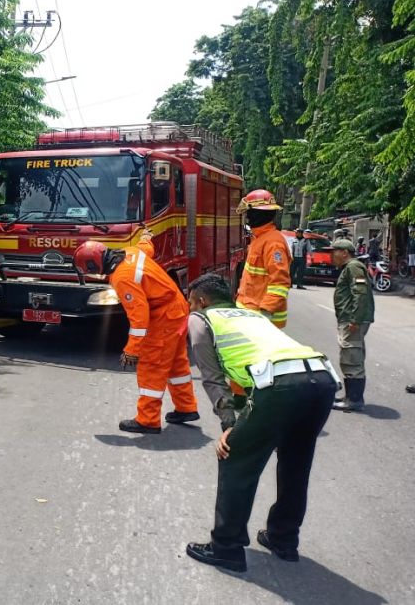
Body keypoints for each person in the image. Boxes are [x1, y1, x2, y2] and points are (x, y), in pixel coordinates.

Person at [184, 273, 338, 573]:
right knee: (295, 461)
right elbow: (249, 373)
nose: (190, 307)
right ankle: (283, 538)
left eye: (191, 301)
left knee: (234, 455)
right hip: (321, 379)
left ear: (201, 301)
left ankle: (226, 547)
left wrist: (228, 424)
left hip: (282, 385)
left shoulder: (201, 320)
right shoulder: (250, 314)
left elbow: (213, 379)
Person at [73, 231, 199, 434]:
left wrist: (132, 350)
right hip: (177, 307)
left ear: (93, 266)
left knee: (152, 365)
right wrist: (146, 236)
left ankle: (148, 420)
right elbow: (146, 248)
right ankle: (186, 408)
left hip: (164, 316)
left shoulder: (123, 277)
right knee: (176, 362)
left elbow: (140, 319)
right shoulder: (130, 252)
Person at [235, 189, 291, 329]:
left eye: (249, 213)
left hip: (261, 320)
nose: (247, 217)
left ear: (257, 214)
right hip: (250, 315)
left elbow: (279, 284)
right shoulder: (259, 239)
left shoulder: (273, 243)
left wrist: (265, 313)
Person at [330, 238, 375, 412]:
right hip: (350, 318)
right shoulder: (349, 268)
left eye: (334, 251)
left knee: (351, 358)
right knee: (350, 356)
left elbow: (360, 294)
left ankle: (354, 400)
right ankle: (350, 396)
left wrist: (355, 319)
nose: (332, 255)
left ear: (344, 252)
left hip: (352, 319)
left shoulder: (353, 267)